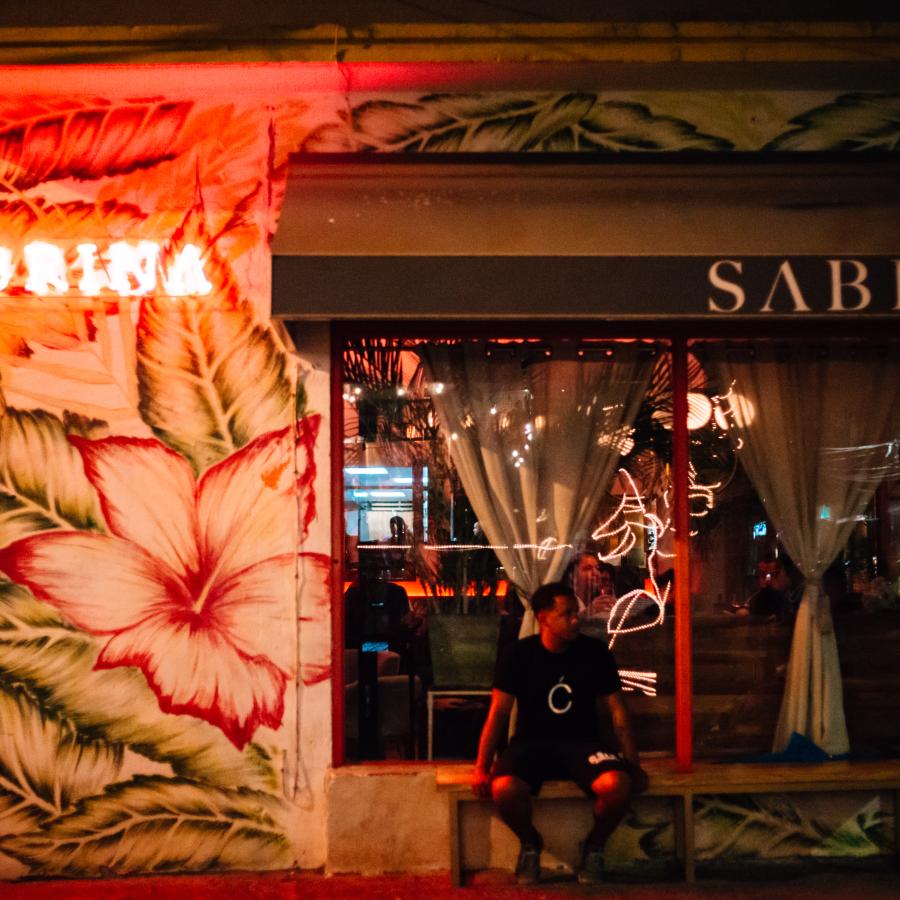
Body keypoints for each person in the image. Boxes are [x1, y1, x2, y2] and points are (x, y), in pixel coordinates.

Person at [471, 582, 648, 885]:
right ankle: (530, 845)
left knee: (617, 785)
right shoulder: (518, 654)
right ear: (543, 618)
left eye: (576, 613)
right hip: (531, 742)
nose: (576, 620)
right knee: (503, 789)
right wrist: (480, 766)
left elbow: (618, 710)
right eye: (567, 614)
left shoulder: (594, 652)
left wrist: (632, 763)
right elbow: (498, 713)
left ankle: (594, 847)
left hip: (582, 742)